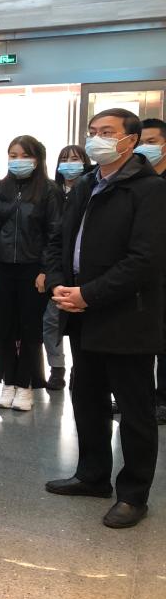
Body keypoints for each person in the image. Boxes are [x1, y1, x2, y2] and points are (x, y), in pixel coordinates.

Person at [45, 108, 166, 529]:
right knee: (88, 397)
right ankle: (92, 475)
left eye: (107, 132)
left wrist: (89, 294)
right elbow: (60, 240)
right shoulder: (85, 185)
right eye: (93, 131)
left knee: (134, 410)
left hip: (127, 317)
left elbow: (145, 261)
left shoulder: (150, 190)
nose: (97, 139)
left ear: (130, 140)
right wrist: (59, 284)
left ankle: (133, 495)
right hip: (82, 314)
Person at [0, 136, 62, 412]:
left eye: (24, 155)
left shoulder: (49, 190)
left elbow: (54, 234)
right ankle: (8, 381)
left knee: (30, 329)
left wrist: (46, 270)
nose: (18, 160)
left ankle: (25, 384)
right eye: (13, 155)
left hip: (33, 270)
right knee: (4, 327)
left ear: (37, 159)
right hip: (1, 268)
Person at [43, 145, 92, 391]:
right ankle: (57, 367)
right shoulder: (51, 191)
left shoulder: (91, 190)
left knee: (80, 323)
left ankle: (79, 369)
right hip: (55, 268)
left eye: (75, 159)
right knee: (51, 321)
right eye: (64, 159)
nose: (69, 164)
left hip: (82, 268)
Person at [137, 119, 166, 422]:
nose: (145, 147)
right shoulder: (136, 182)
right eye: (140, 141)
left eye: (152, 141)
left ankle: (162, 399)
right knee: (141, 339)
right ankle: (140, 398)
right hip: (140, 275)